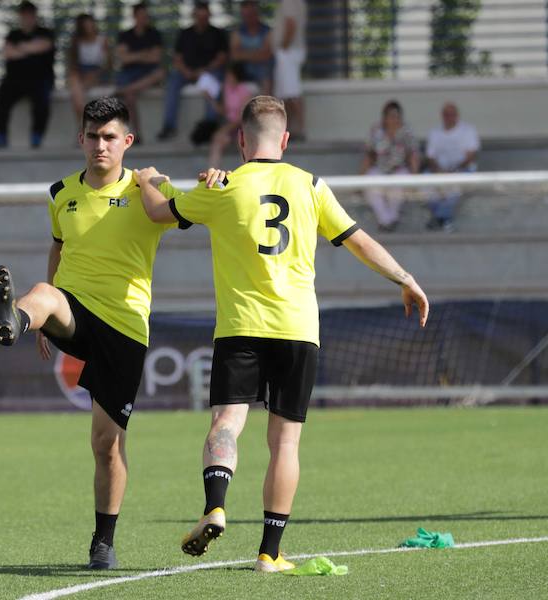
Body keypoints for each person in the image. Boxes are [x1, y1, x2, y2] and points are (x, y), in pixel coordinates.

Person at [134, 95, 429, 573]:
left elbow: (156, 212)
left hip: (240, 327)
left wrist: (149, 179)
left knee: (226, 422)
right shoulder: (310, 184)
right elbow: (358, 240)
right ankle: (270, 553)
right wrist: (405, 278)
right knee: (285, 443)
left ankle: (215, 504)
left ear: (242, 140)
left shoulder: (225, 185)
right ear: (286, 140)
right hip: (298, 330)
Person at [0, 97, 222, 570]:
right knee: (42, 292)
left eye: (109, 137)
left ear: (126, 142)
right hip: (71, 309)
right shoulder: (60, 193)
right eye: (92, 136)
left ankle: (103, 541)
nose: (100, 145)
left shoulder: (148, 188)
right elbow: (57, 249)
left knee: (105, 443)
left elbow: (197, 209)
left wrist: (216, 180)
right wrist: (40, 319)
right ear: (81, 139)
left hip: (125, 327)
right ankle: (14, 319)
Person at [156, 2, 228, 141]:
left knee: (214, 82)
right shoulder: (185, 33)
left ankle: (210, 126)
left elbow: (222, 58)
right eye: (199, 16)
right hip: (186, 72)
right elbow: (177, 58)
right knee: (172, 83)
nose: (202, 20)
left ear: (209, 16)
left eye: (204, 17)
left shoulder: (217, 33)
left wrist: (204, 71)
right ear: (194, 16)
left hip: (209, 72)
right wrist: (186, 71)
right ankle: (169, 126)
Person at [0, 1, 55, 149]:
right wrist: (32, 48)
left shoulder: (45, 33)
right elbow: (8, 53)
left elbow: (45, 46)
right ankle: (0, 137)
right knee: (1, 98)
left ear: (35, 16)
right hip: (15, 80)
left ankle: (36, 137)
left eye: (30, 15)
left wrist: (20, 48)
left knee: (42, 101)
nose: (27, 18)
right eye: (24, 15)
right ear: (20, 16)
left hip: (40, 79)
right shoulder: (13, 34)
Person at [360, 100, 420, 231]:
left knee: (397, 188)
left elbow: (413, 155)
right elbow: (369, 155)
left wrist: (415, 179)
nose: (393, 119)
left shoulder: (406, 131)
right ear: (384, 117)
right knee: (371, 185)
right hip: (379, 169)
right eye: (390, 115)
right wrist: (360, 178)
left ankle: (388, 221)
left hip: (399, 169)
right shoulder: (376, 130)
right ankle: (387, 221)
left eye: (396, 115)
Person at [424, 102, 480, 231]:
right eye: (446, 114)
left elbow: (471, 156)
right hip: (440, 171)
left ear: (457, 115)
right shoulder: (435, 132)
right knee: (425, 183)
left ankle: (440, 218)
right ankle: (444, 219)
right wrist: (439, 171)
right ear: (442, 116)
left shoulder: (468, 130)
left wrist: (454, 171)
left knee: (454, 186)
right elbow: (430, 157)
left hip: (463, 170)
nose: (449, 117)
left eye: (452, 114)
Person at [114, 3, 165, 142]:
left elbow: (156, 57)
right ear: (135, 16)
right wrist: (144, 54)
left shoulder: (154, 34)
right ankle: (135, 133)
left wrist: (133, 56)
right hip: (130, 73)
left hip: (148, 73)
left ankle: (125, 90)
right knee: (129, 96)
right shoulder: (125, 35)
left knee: (160, 73)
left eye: (146, 16)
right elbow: (123, 59)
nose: (144, 19)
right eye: (141, 16)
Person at [67, 14, 111, 128]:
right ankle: (86, 124)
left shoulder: (102, 40)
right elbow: (73, 64)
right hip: (81, 72)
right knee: (74, 81)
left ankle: (83, 128)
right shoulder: (77, 41)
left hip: (98, 71)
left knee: (77, 92)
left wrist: (95, 73)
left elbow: (107, 64)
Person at [206, 62, 254, 168]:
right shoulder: (226, 89)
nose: (227, 78)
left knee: (241, 143)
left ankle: (247, 173)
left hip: (242, 128)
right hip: (229, 127)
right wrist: (210, 98)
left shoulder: (245, 91)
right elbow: (223, 111)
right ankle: (212, 175)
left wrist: (224, 129)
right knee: (217, 140)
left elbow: (241, 118)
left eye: (229, 75)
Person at [271, 0, 307, 139]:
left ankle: (301, 129)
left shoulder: (289, 2)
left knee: (292, 92)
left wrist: (282, 47)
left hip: (288, 52)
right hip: (289, 52)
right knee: (285, 94)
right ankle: (289, 130)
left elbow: (291, 25)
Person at [230, 0, 273, 93]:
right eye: (246, 15)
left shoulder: (266, 31)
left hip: (263, 70)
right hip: (244, 70)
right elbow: (235, 55)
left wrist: (244, 54)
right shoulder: (238, 32)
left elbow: (267, 55)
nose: (249, 17)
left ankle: (266, 104)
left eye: (252, 14)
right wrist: (257, 54)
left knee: (266, 73)